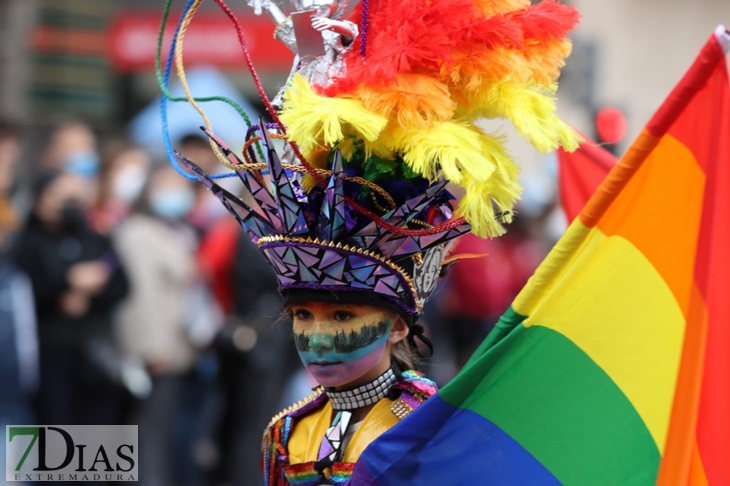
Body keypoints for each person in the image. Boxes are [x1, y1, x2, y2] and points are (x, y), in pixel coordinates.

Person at [13, 171, 129, 425]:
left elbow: (122, 284)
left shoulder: (94, 238)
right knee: (52, 434)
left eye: (71, 199)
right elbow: (23, 290)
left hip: (94, 352)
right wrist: (67, 283)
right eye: (56, 196)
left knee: (97, 441)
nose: (63, 206)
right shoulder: (25, 242)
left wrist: (93, 288)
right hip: (47, 354)